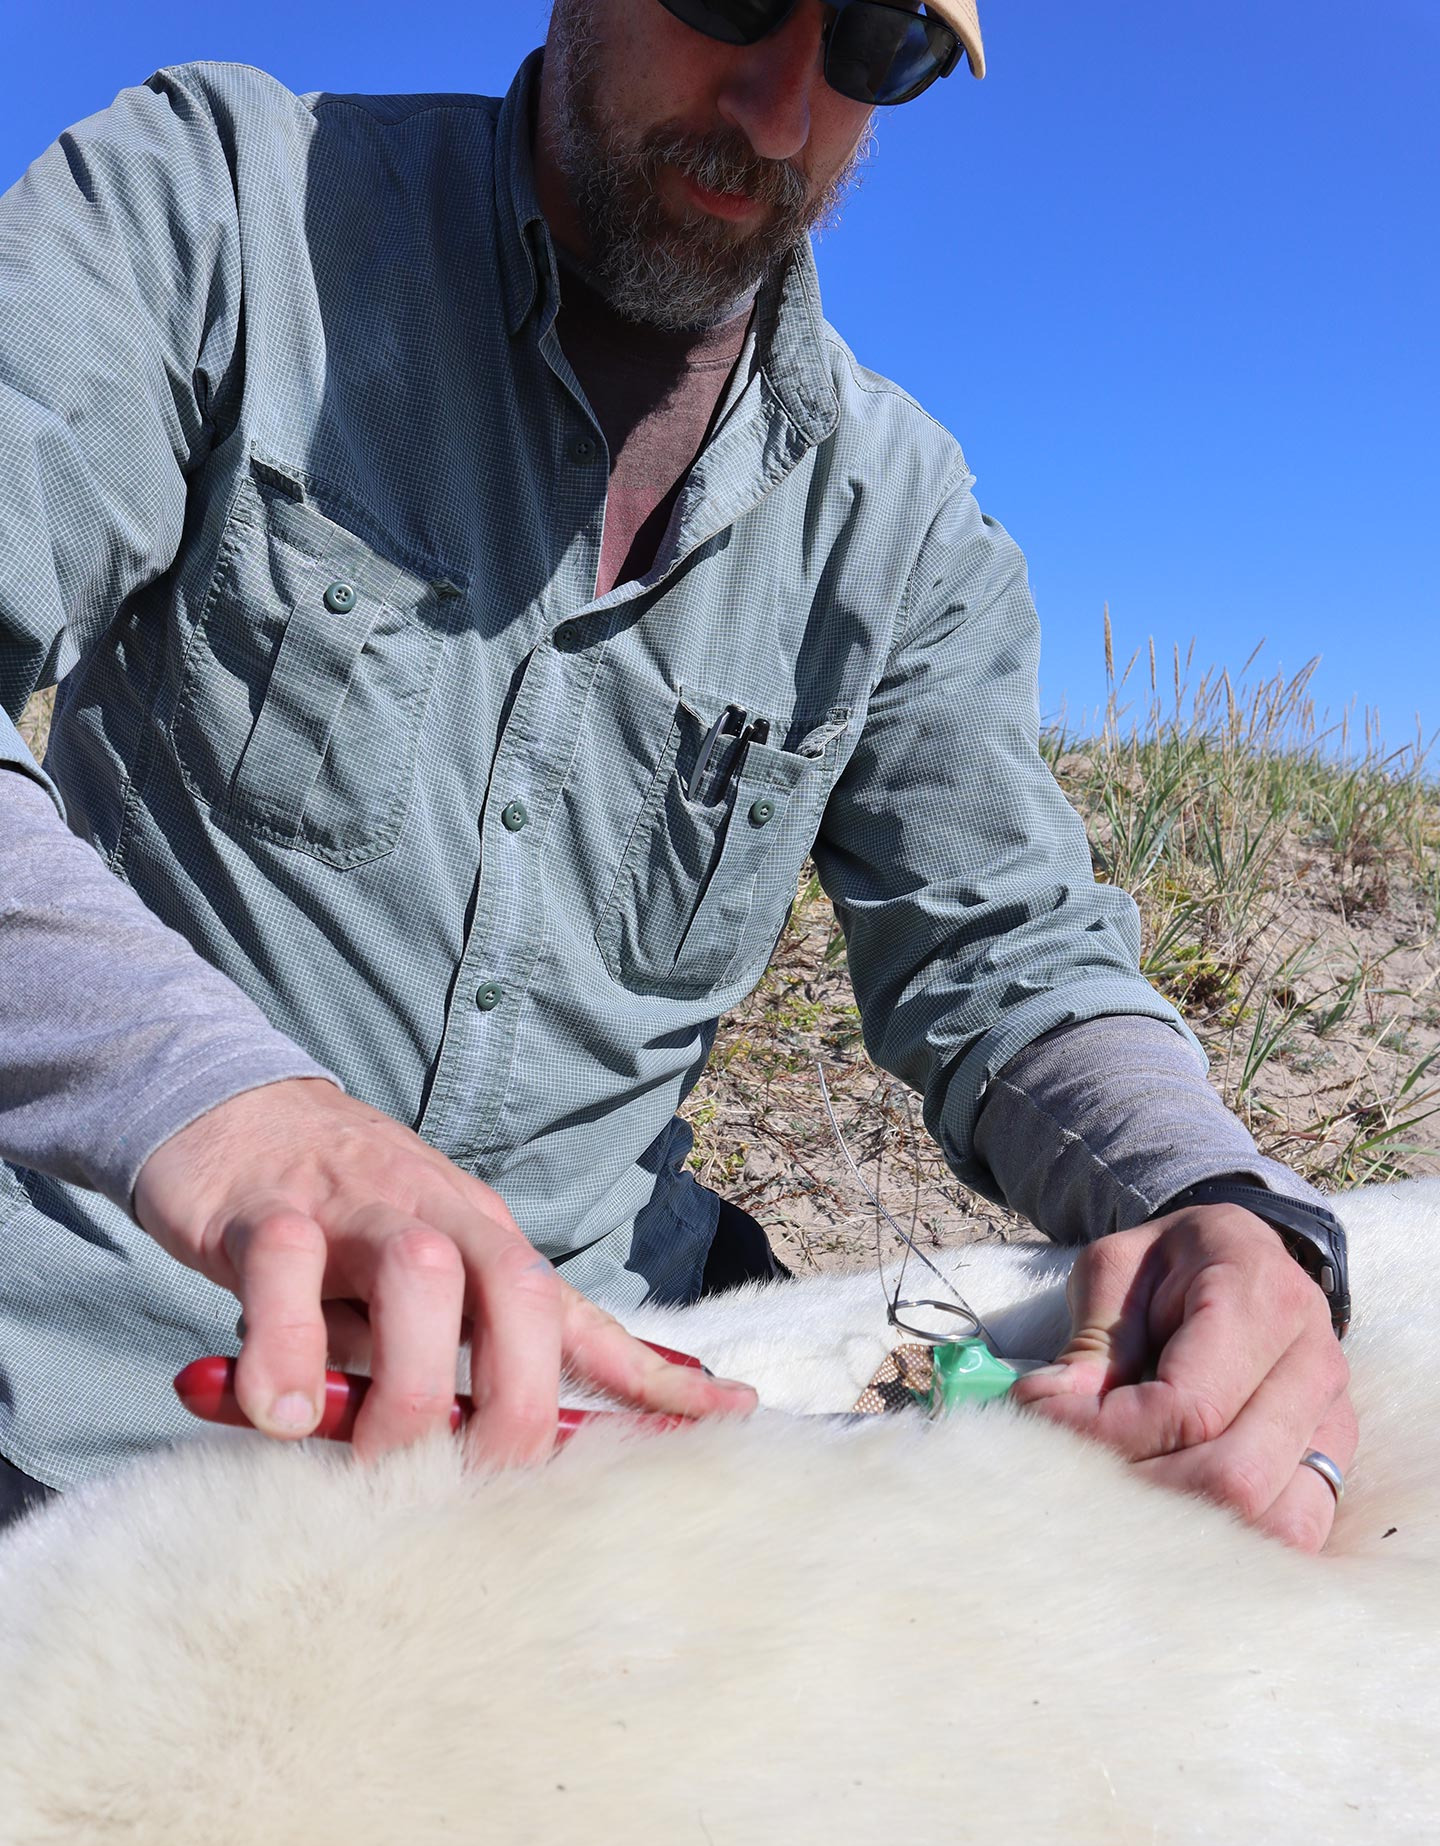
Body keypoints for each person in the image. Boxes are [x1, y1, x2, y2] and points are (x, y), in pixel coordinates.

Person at [0, 0, 1354, 1546]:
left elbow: (1009, 956)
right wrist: (228, 1110)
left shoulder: (903, 527)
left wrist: (1216, 1204)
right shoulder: (220, 209)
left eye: (872, 53)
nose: (782, 116)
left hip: (600, 1437)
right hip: (99, 1404)